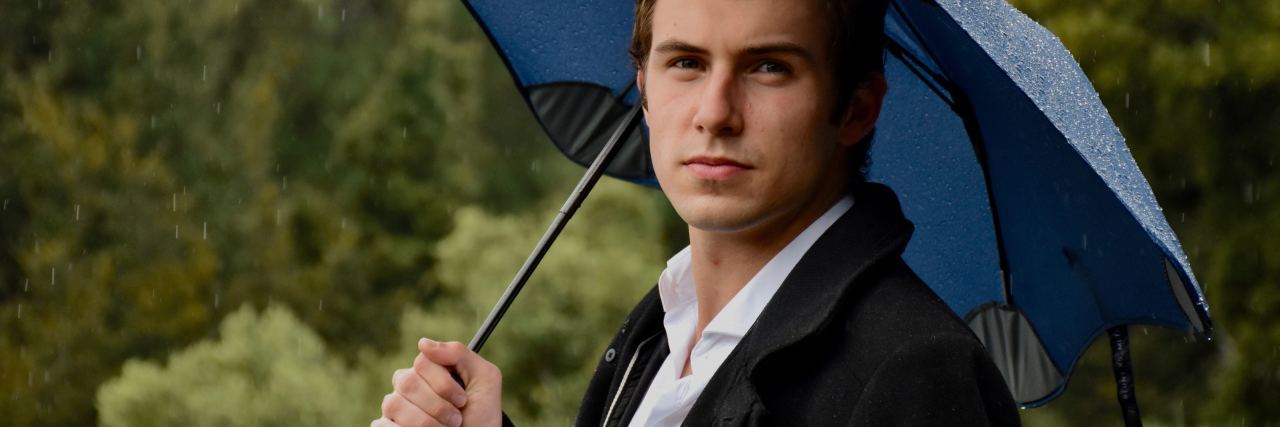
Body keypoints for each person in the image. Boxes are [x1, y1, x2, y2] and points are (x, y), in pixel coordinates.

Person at [374, 0, 1021, 425]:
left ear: (856, 108)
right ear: (645, 91)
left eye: (769, 67)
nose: (715, 111)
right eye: (685, 62)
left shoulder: (915, 370)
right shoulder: (654, 336)